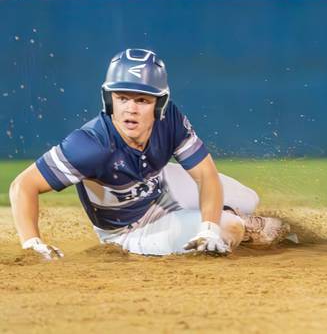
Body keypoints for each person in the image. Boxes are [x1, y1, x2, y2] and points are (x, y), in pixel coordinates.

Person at [10, 48, 293, 259]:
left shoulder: (168, 120)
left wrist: (206, 226)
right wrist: (31, 243)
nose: (130, 108)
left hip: (162, 187)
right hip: (131, 229)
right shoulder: (91, 144)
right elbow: (23, 185)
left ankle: (223, 220)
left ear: (159, 104)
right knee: (230, 226)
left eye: (142, 100)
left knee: (248, 199)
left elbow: (206, 175)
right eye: (122, 97)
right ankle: (235, 224)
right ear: (109, 99)